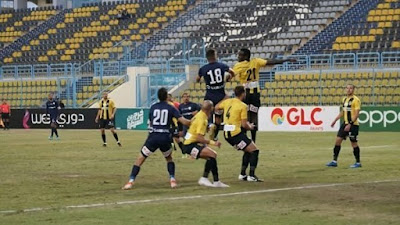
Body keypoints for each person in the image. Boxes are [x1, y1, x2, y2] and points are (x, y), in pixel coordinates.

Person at [122, 87, 191, 190]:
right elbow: (184, 121)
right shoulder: (171, 108)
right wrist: (195, 121)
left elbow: (150, 122)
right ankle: (172, 180)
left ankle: (130, 181)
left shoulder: (153, 107)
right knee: (169, 158)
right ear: (166, 96)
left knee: (140, 159)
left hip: (153, 136)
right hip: (165, 137)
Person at [233, 49, 296, 143]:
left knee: (244, 117)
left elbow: (231, 74)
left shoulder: (238, 66)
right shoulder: (256, 61)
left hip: (244, 94)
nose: (238, 57)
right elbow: (271, 62)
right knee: (253, 116)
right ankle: (253, 140)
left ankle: (245, 140)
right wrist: (285, 60)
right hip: (255, 93)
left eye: (240, 55)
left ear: (246, 56)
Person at [215, 86, 262, 182]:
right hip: (235, 134)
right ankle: (251, 176)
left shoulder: (228, 101)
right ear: (243, 94)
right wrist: (251, 127)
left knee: (248, 150)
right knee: (254, 150)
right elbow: (244, 125)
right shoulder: (243, 106)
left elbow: (216, 107)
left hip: (227, 135)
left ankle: (243, 174)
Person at [183, 100, 229, 187]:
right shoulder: (202, 119)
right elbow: (199, 138)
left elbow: (192, 124)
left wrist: (205, 128)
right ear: (210, 109)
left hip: (190, 143)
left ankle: (209, 180)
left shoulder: (199, 114)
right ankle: (212, 181)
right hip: (190, 145)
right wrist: (213, 143)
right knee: (212, 154)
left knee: (211, 156)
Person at [197, 49, 235, 141]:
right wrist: (229, 77)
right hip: (220, 95)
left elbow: (197, 79)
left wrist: (205, 81)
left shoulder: (203, 69)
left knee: (205, 114)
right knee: (218, 117)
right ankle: (215, 136)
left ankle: (209, 126)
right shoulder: (222, 66)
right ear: (215, 56)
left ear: (207, 58)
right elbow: (232, 72)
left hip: (209, 94)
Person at [326, 84, 362, 168]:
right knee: (338, 140)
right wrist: (335, 120)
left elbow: (357, 114)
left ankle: (358, 162)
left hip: (353, 125)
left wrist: (350, 123)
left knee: (354, 143)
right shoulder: (345, 99)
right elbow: (343, 111)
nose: (349, 90)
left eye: (351, 88)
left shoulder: (356, 100)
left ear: (353, 90)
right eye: (347, 88)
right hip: (345, 123)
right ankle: (334, 161)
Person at [178, 92, 200, 158]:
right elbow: (179, 116)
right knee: (186, 139)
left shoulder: (193, 105)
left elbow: (200, 110)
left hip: (193, 124)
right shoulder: (180, 106)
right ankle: (185, 153)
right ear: (182, 98)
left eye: (187, 97)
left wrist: (196, 113)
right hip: (185, 125)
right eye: (184, 97)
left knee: (195, 139)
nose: (186, 98)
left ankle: (195, 152)